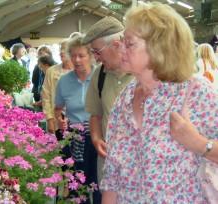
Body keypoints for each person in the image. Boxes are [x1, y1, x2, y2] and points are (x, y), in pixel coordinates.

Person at [101, 2, 218, 203]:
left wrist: (199, 143)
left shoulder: (196, 93)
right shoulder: (124, 100)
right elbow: (112, 177)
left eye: (129, 43)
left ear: (158, 47)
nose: (121, 48)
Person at [82, 16, 133, 185]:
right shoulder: (99, 75)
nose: (96, 58)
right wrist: (96, 139)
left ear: (116, 44)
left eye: (97, 51)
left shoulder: (144, 75)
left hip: (138, 166)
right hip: (108, 162)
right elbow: (96, 114)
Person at [54, 35, 101, 203]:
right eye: (73, 55)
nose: (77, 59)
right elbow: (58, 109)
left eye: (81, 55)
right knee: (76, 185)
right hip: (75, 139)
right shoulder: (64, 81)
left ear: (91, 55)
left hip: (98, 138)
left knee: (97, 184)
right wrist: (60, 120)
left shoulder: (100, 76)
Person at [41, 40, 73, 134]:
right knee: (59, 147)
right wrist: (50, 120)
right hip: (57, 118)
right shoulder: (51, 71)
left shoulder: (80, 71)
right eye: (60, 49)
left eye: (65, 49)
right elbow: (46, 97)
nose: (61, 52)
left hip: (76, 119)